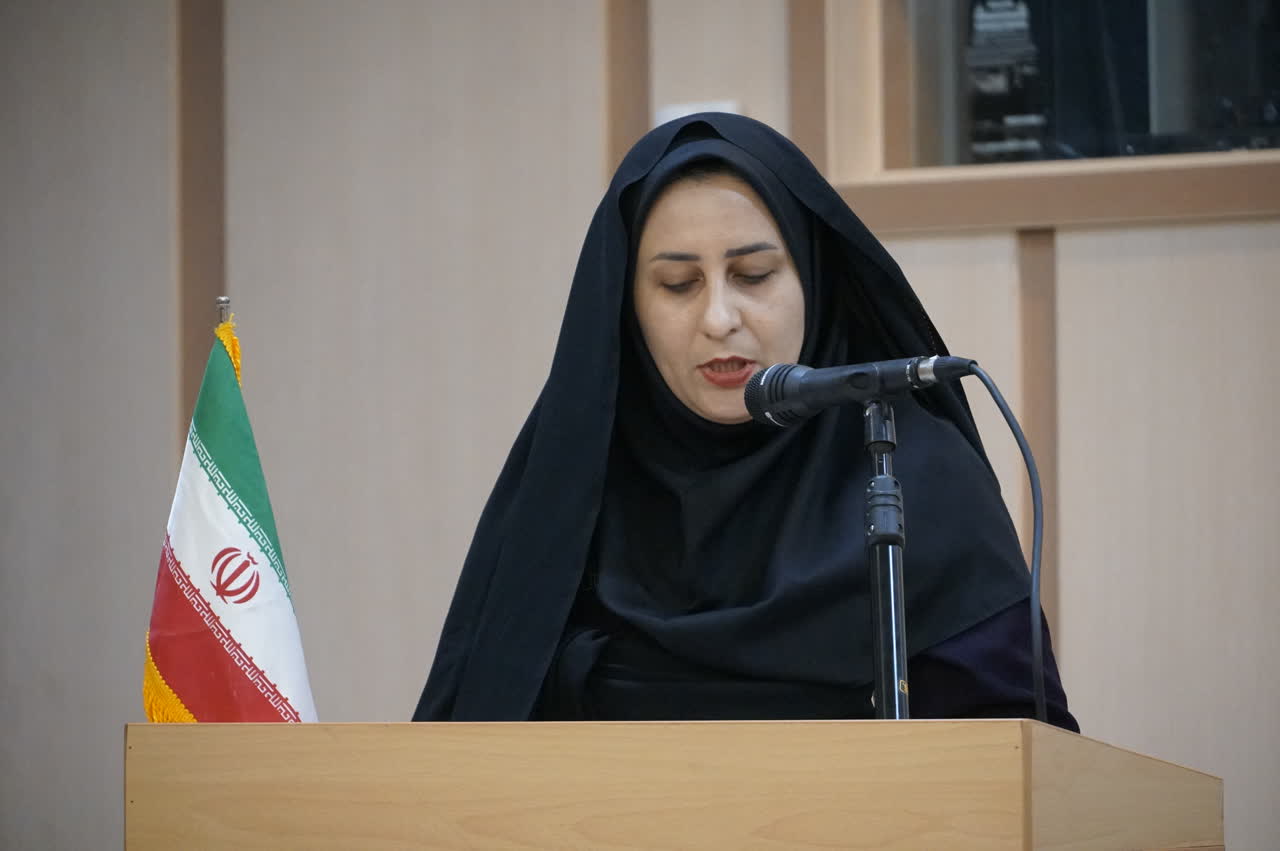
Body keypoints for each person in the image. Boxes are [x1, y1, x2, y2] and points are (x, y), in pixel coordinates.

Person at [412, 113, 1076, 729]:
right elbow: (470, 751)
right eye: (678, 284)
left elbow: (1017, 761)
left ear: (813, 278)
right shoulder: (575, 490)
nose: (719, 318)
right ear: (627, 308)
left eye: (753, 275)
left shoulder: (913, 475)